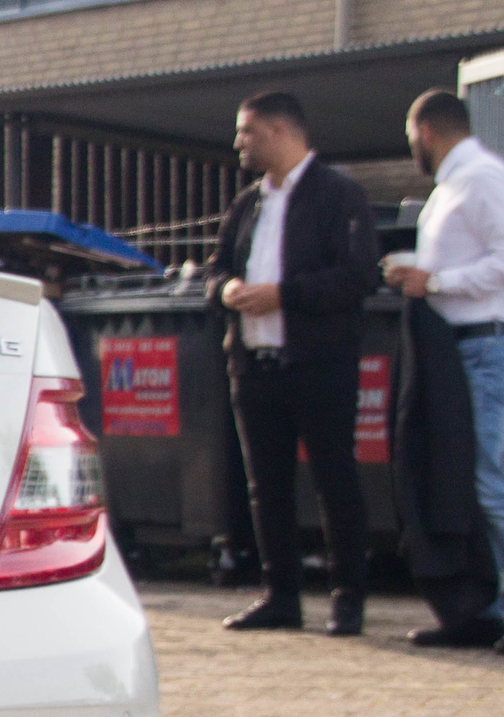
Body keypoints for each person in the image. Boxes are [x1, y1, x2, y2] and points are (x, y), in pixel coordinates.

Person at [204, 91, 381, 634]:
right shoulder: (248, 203)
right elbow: (213, 273)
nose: (239, 143)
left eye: (247, 132)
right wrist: (228, 289)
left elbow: (358, 277)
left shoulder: (339, 195)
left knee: (335, 479)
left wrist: (285, 295)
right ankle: (280, 596)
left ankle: (347, 598)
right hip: (254, 366)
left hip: (319, 362)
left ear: (280, 131)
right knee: (266, 485)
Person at [383, 89, 504, 648]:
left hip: (482, 347)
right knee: (469, 484)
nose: (412, 148)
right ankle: (486, 610)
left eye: (411, 138)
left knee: (491, 483)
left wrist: (434, 282)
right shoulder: (449, 189)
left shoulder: (480, 177)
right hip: (455, 351)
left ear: (425, 131)